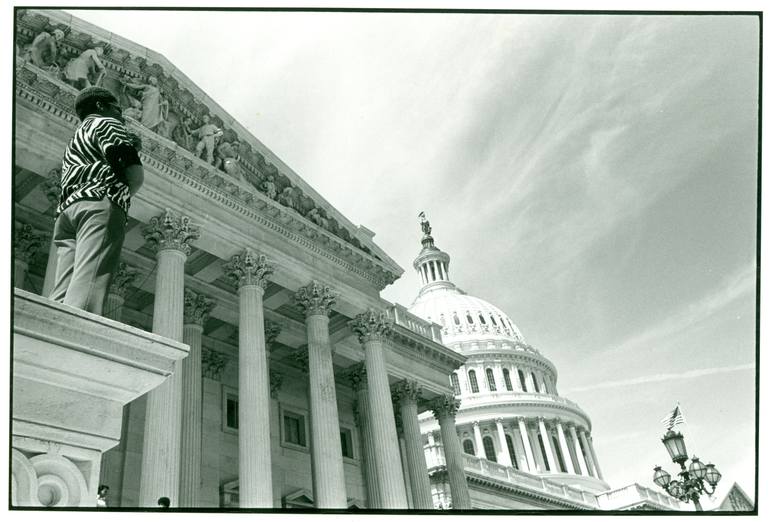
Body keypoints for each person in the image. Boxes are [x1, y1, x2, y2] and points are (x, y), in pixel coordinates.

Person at [49, 87, 144, 315]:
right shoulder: (107, 123)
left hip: (67, 213)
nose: (121, 115)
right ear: (101, 106)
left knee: (62, 292)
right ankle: (75, 346)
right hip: (99, 203)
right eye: (117, 109)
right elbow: (132, 171)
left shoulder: (77, 136)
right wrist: (121, 193)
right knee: (89, 286)